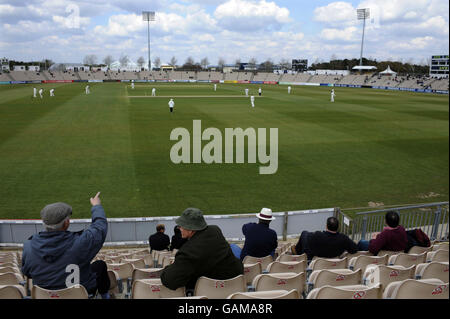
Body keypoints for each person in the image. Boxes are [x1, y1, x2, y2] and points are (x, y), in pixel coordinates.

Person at [21, 192, 111, 298]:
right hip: (79, 294)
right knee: (100, 265)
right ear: (66, 223)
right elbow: (99, 228)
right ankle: (105, 296)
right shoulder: (80, 243)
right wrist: (96, 206)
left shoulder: (29, 246)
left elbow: (27, 273)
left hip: (45, 295)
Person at [160, 208, 243, 291]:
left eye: (181, 226)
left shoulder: (188, 252)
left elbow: (169, 281)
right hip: (235, 287)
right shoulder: (215, 231)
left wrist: (169, 267)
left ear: (190, 229)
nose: (180, 228)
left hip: (210, 293)